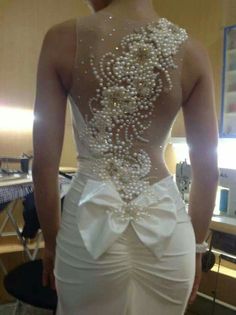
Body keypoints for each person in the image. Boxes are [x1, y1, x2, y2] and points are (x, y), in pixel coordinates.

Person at [32, 0, 219, 314]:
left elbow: (43, 168)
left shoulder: (61, 39)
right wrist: (197, 248)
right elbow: (208, 172)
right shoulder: (193, 52)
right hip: (170, 236)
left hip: (87, 231)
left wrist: (51, 243)